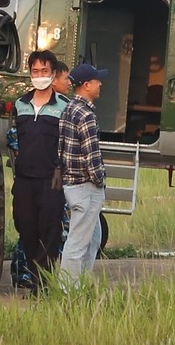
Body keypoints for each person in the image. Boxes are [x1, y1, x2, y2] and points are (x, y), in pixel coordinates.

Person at [6, 50, 69, 289]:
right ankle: (33, 277)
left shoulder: (65, 106)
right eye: (35, 71)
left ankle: (43, 285)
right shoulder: (20, 104)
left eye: (44, 71)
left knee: (50, 231)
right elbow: (13, 140)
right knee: (26, 228)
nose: (39, 75)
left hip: (52, 179)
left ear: (53, 74)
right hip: (24, 180)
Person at [58, 63, 109, 282]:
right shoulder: (86, 114)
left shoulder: (68, 108)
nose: (100, 84)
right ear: (87, 85)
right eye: (97, 81)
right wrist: (100, 179)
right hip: (86, 186)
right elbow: (92, 154)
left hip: (71, 182)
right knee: (78, 241)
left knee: (94, 238)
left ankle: (82, 282)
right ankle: (69, 288)